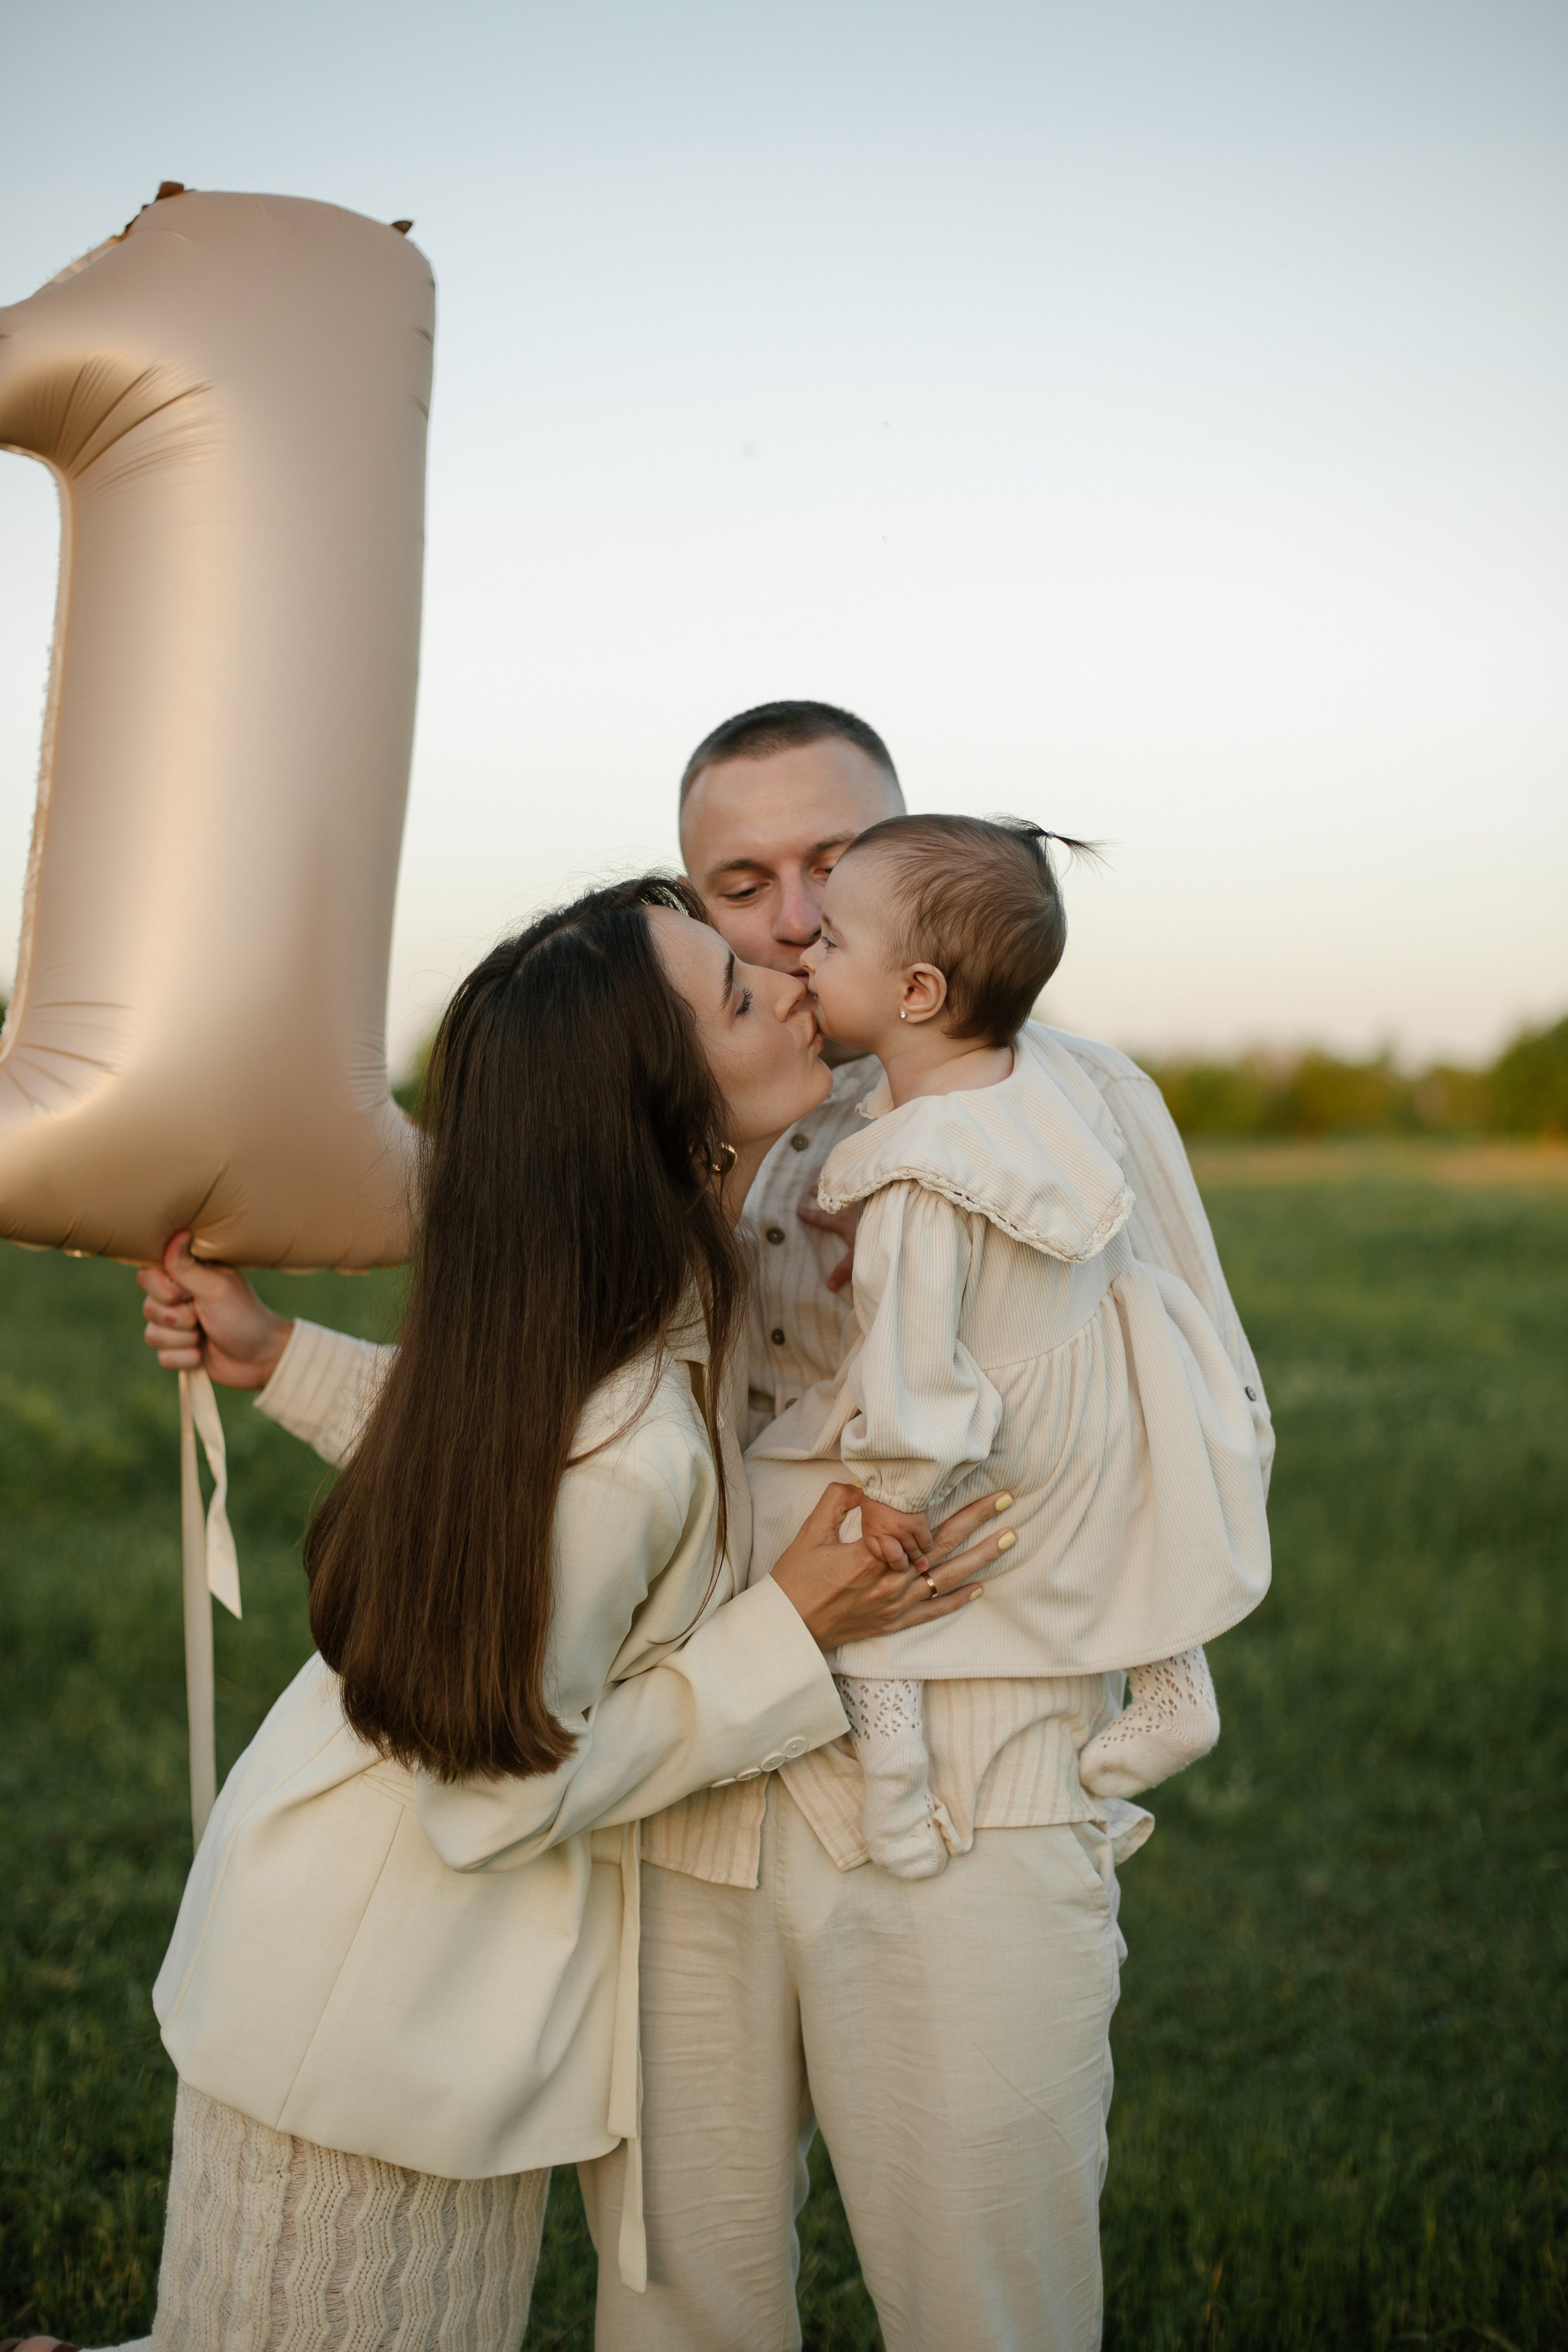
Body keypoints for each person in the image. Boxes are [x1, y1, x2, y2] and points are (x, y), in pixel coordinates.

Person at [141, 702, 1275, 2351]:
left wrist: (1078, 1620)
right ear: (694, 903)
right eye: (744, 884)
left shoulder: (1065, 1103)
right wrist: (285, 1360)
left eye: (837, 862)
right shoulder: (691, 1128)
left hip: (954, 1791)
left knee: (984, 2296)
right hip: (677, 1820)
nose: (800, 917)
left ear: (913, 862)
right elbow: (562, 1448)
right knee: (677, 2300)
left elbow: (1203, 1414)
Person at [83, 873, 1009, 2352]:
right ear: (658, 1113)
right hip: (368, 2040)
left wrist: (279, 1360)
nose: (780, 975)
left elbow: (492, 1468)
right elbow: (494, 1798)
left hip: (371, 1993)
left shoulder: (584, 1317)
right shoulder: (625, 1412)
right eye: (731, 989)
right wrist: (785, 1625)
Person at [745, 812, 1272, 1878]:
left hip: (990, 1423)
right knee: (1133, 1527)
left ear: (918, 994)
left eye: (834, 941)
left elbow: (915, 1355)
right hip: (1108, 1386)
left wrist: (895, 1482)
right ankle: (1176, 1685)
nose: (807, 947)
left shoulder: (910, 1174)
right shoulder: (1030, 1087)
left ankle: (894, 1791)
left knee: (864, 1574)